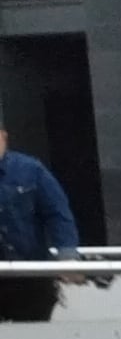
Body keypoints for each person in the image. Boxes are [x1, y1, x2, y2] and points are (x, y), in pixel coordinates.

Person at [0, 118, 88, 322]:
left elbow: (58, 214)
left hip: (31, 278)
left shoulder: (32, 170)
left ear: (4, 137)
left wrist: (67, 256)